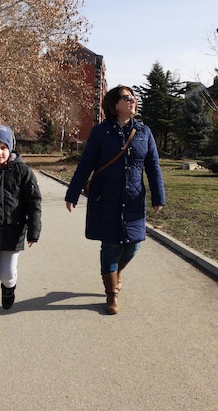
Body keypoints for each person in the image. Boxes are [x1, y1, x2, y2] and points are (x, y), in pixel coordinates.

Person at [65, 85, 165, 315]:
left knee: (134, 244)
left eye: (134, 98)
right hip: (105, 198)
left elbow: (153, 166)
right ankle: (112, 294)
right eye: (127, 98)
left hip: (133, 200)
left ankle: (114, 274)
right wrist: (72, 194)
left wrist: (158, 196)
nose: (133, 101)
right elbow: (86, 165)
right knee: (110, 245)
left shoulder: (143, 131)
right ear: (114, 104)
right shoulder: (101, 132)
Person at [0, 123, 42, 340]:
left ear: (11, 147)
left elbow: (34, 202)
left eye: (3, 147)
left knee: (7, 274)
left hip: (13, 232)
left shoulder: (23, 172)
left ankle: (9, 288)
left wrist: (33, 230)